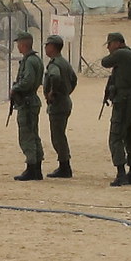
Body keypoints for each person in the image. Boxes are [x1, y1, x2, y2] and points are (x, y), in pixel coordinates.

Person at [102, 32, 131, 187]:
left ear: (118, 43)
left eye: (110, 44)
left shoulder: (121, 54)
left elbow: (105, 62)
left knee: (116, 136)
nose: (108, 47)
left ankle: (121, 173)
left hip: (124, 100)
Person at [10, 31, 45, 181]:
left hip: (27, 102)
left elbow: (28, 80)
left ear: (23, 44)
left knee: (27, 136)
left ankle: (32, 167)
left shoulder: (30, 61)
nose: (17, 46)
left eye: (19, 44)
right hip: (30, 100)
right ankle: (36, 168)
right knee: (33, 134)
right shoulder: (34, 60)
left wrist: (16, 88)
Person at [43, 34, 78, 178]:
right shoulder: (64, 62)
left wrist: (52, 92)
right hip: (64, 101)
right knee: (59, 134)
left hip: (58, 104)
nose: (45, 48)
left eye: (47, 45)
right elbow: (74, 79)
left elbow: (55, 77)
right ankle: (64, 165)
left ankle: (64, 166)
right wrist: (67, 91)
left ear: (52, 47)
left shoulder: (55, 64)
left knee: (58, 136)